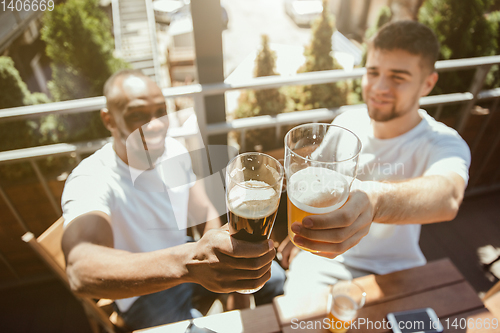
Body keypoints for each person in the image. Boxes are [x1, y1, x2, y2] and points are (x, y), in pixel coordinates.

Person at [61, 70, 285, 330]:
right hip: (143, 292)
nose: (155, 124)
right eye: (138, 115)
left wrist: (227, 265)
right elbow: (80, 269)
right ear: (109, 119)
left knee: (274, 279)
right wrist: (189, 263)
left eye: (160, 111)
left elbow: (204, 210)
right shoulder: (92, 178)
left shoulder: (173, 150)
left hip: (185, 262)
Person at [279, 20, 471, 296]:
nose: (379, 87)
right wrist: (292, 239)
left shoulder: (444, 141)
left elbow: (449, 195)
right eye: (373, 72)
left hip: (400, 268)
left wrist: (375, 200)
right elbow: (312, 188)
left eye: (398, 77)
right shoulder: (347, 122)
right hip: (328, 261)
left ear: (428, 83)